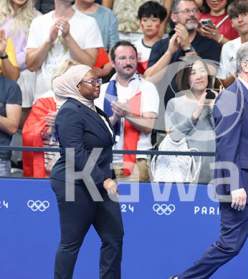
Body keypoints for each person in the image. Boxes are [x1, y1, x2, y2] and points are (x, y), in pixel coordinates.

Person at [170, 41, 248, 279]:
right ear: (245, 66)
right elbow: (226, 145)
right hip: (241, 187)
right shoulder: (230, 97)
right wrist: (234, 185)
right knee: (229, 246)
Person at [50, 62, 124, 278]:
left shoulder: (93, 109)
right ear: (76, 86)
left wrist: (106, 179)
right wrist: (104, 180)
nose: (97, 85)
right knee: (71, 243)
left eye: (98, 80)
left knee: (114, 237)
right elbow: (76, 154)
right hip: (75, 184)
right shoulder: (70, 111)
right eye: (91, 81)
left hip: (100, 184)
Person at [95, 40, 160, 182]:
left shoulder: (147, 88)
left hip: (137, 160)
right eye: (122, 58)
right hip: (106, 160)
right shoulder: (102, 90)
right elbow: (97, 129)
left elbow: (149, 125)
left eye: (132, 58)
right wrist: (114, 118)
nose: (128, 62)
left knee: (135, 204)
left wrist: (127, 115)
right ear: (112, 62)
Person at [145, 0, 221, 106]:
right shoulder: (160, 45)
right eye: (186, 11)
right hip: (164, 110)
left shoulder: (211, 45)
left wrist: (187, 48)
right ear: (174, 17)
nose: (191, 14)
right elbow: (149, 80)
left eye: (195, 10)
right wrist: (169, 53)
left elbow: (212, 74)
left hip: (198, 110)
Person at [26, 0, 103, 102]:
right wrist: (49, 41)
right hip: (43, 97)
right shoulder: (38, 22)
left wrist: (68, 37)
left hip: (76, 98)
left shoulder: (89, 23)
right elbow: (31, 65)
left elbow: (89, 64)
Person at [165, 58, 216, 183]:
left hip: (217, 169)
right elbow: (173, 137)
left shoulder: (220, 99)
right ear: (186, 77)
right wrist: (195, 114)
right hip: (186, 170)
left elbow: (226, 135)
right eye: (193, 73)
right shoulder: (175, 103)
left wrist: (214, 110)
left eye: (202, 71)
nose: (199, 76)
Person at [133, 1, 168, 74]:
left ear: (161, 23)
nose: (149, 24)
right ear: (140, 23)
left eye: (154, 20)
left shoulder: (168, 47)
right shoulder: (134, 47)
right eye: (145, 20)